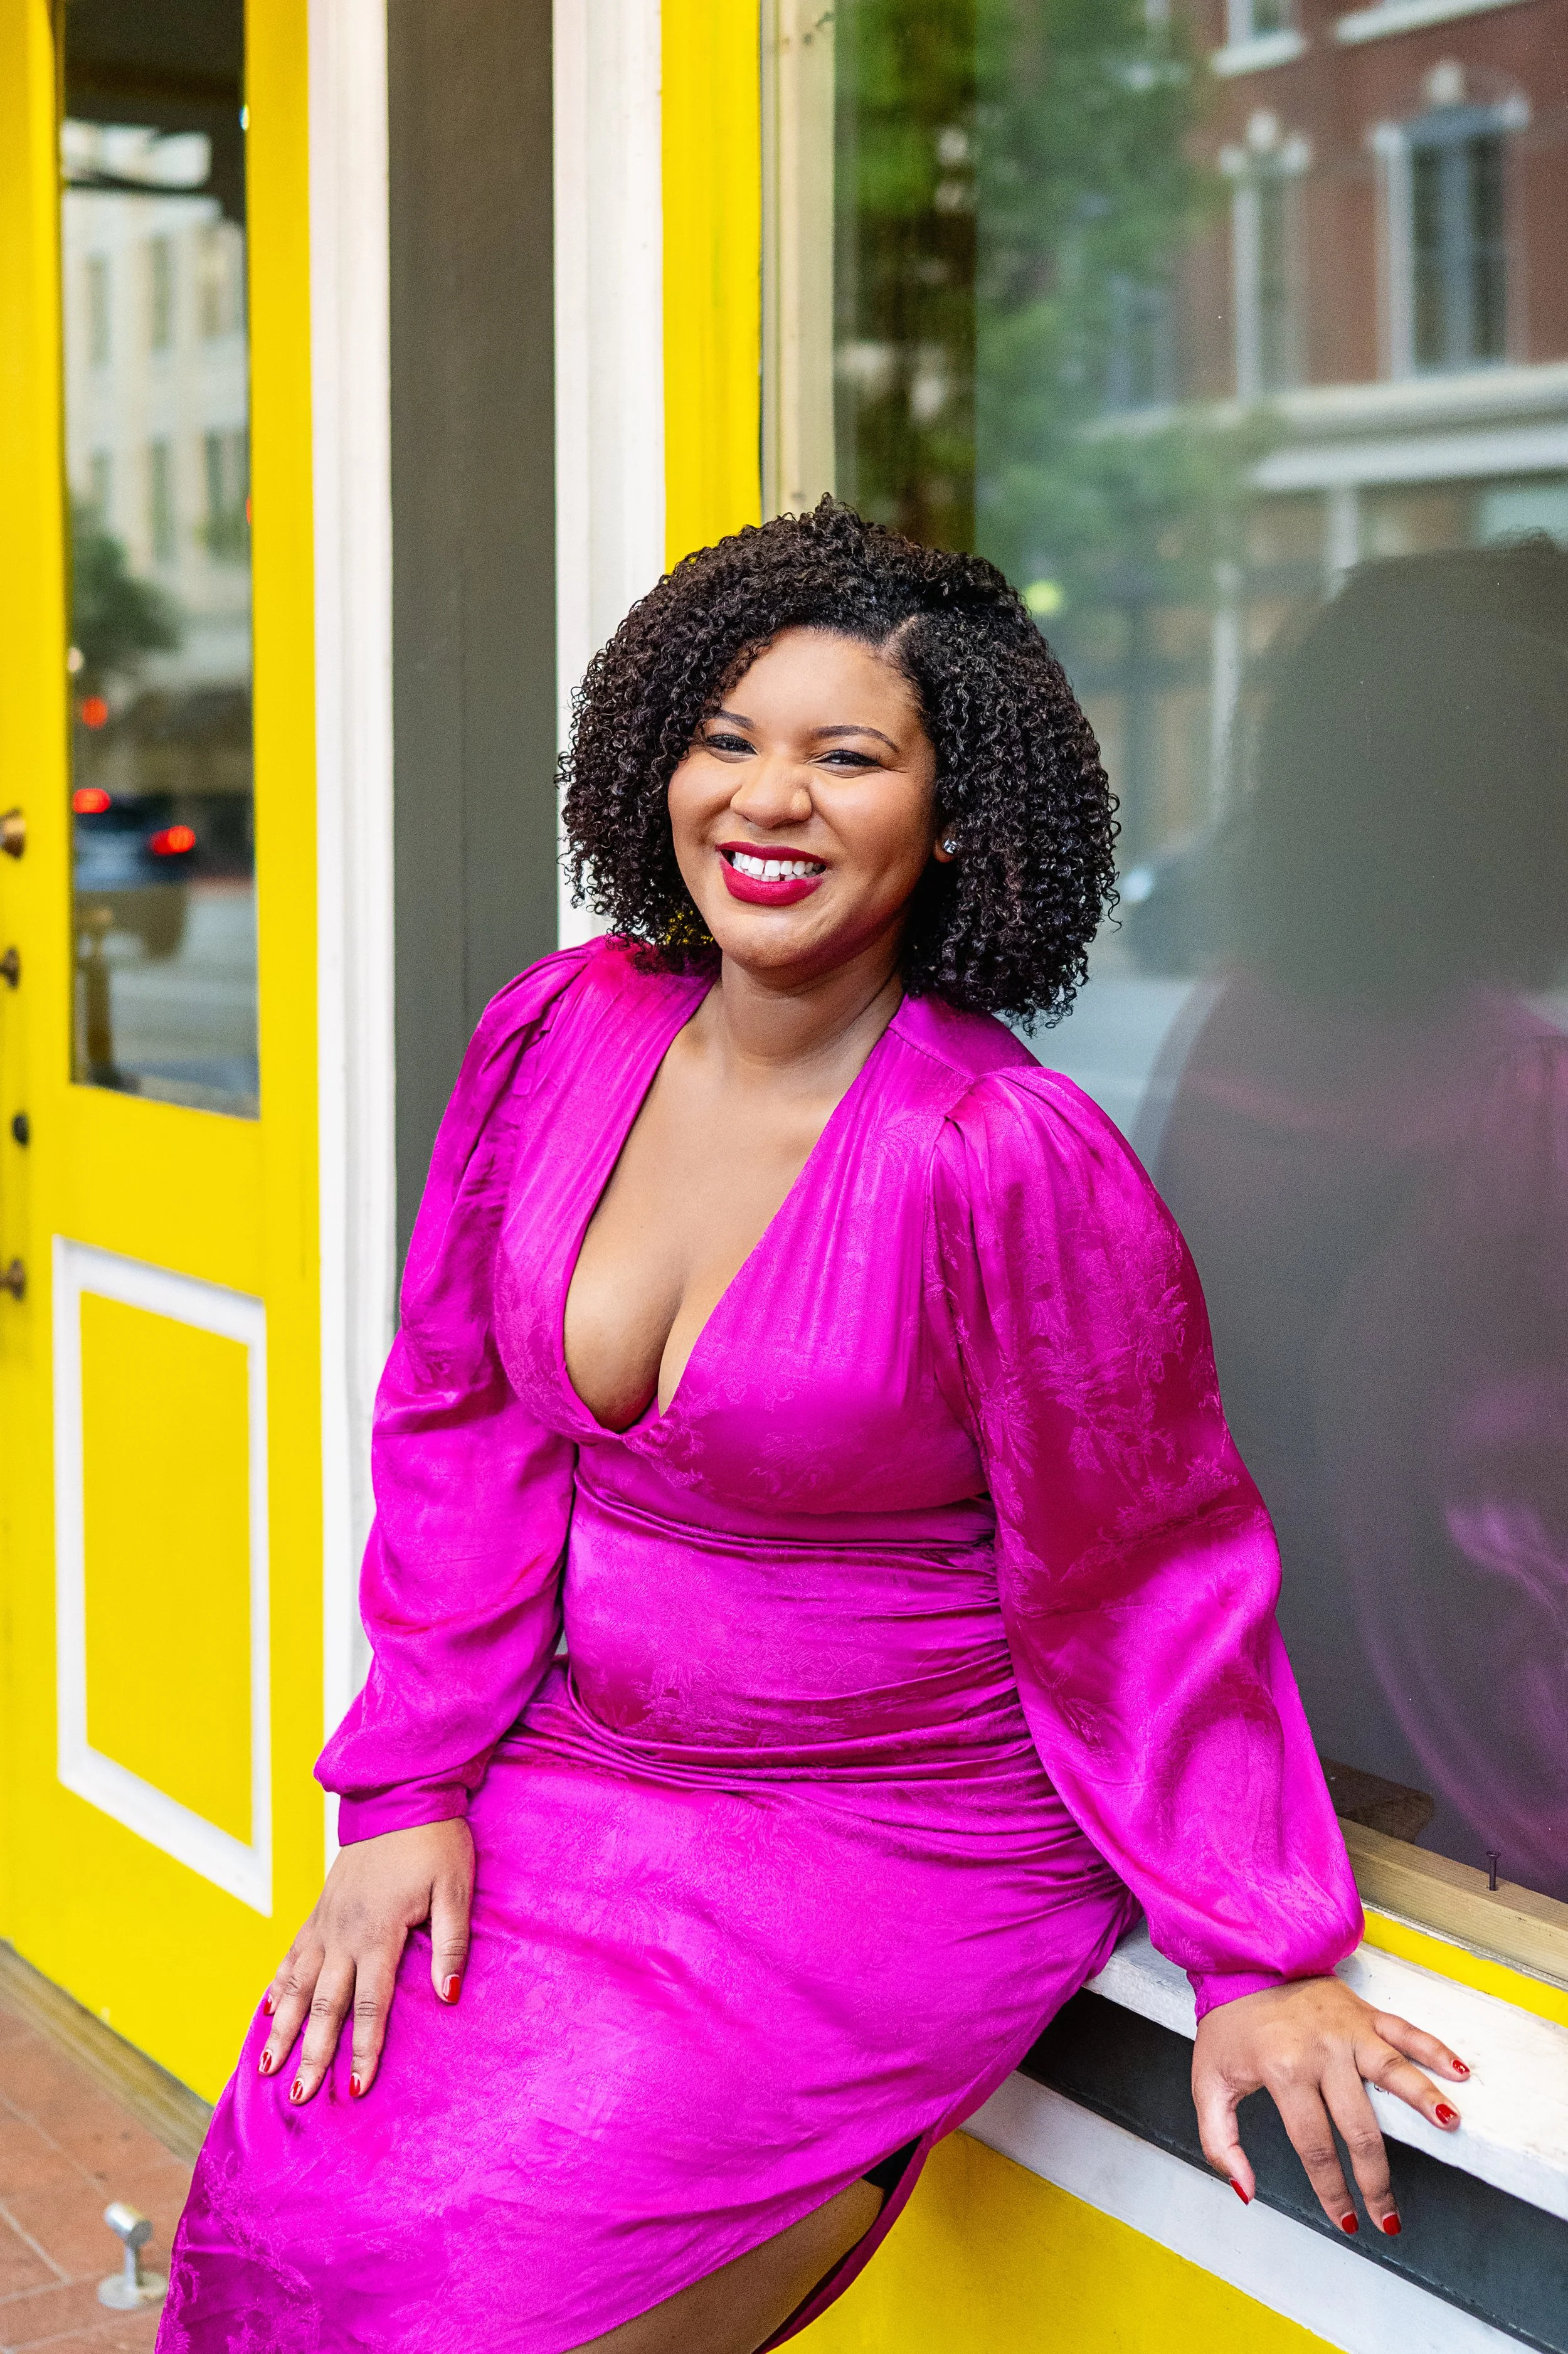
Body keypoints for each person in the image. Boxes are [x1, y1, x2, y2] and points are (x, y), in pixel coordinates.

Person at [158, 502, 1468, 2354]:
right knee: (292, 2210)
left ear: (952, 818)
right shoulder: (557, 1035)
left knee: (492, 2299)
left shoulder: (1003, 1157)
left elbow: (1142, 1576)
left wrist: (1254, 1948)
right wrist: (406, 1788)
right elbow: (461, 1419)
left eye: (847, 758)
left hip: (880, 1829)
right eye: (726, 738)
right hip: (578, 1772)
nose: (766, 801)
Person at [1148, 543, 1568, 1901]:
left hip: (1266, 1728)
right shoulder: (1510, 1092)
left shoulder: (1245, 1015)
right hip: (1462, 1802)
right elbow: (1492, 1560)